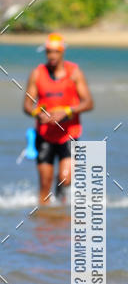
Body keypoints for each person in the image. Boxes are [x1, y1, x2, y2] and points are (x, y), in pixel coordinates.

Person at [23, 33, 94, 204]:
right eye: (49, 52)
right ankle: (44, 215)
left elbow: (88, 103)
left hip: (69, 134)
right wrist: (37, 114)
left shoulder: (74, 73)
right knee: (45, 184)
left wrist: (67, 112)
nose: (52, 55)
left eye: (56, 52)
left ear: (62, 52)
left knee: (65, 178)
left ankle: (60, 210)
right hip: (45, 135)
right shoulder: (37, 73)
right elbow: (27, 105)